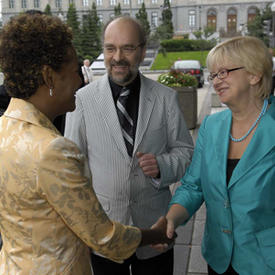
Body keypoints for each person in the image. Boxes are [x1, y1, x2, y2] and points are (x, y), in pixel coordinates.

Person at [0, 13, 175, 274]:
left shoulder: (5, 128)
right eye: (74, 72)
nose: (80, 81)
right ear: (49, 77)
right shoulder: (53, 150)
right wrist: (155, 234)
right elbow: (103, 237)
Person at [65, 15, 194, 275]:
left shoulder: (165, 98)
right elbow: (71, 168)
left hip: (156, 230)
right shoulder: (82, 100)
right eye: (110, 48)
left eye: (128, 48)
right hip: (105, 233)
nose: (118, 57)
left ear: (143, 51)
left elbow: (187, 153)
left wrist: (162, 165)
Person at [158, 36, 275, 275]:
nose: (215, 81)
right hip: (219, 259)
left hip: (265, 263)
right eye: (213, 75)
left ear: (254, 74)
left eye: (224, 72)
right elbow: (193, 186)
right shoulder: (212, 126)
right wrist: (171, 218)